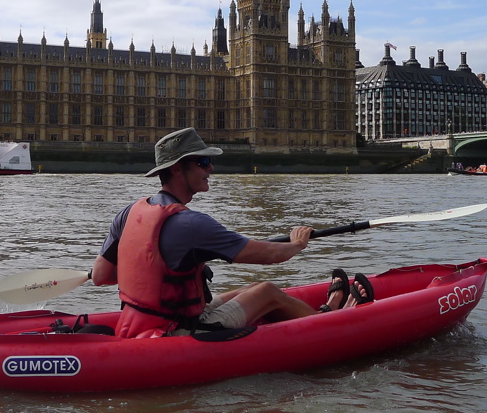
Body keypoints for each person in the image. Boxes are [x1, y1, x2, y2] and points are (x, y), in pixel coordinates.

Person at [92, 127, 372, 339]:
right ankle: (331, 323)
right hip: (177, 332)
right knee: (267, 290)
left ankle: (322, 313)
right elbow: (268, 254)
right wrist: (298, 243)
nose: (210, 168)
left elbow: (101, 276)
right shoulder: (191, 224)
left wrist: (149, 269)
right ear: (177, 169)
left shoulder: (127, 213)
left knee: (251, 288)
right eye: (203, 162)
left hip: (140, 323)